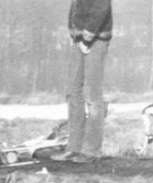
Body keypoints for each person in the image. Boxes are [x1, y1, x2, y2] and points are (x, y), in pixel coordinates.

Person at [51, 0, 112, 164]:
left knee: (93, 96)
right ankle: (74, 148)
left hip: (96, 40)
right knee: (73, 93)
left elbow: (101, 8)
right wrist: (74, 34)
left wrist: (87, 37)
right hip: (79, 41)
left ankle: (91, 151)